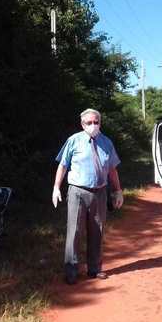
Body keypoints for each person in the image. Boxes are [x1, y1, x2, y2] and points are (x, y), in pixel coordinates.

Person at [52, 109, 123, 285]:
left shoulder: (106, 142)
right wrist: (56, 187)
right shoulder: (73, 141)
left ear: (100, 122)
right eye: (89, 123)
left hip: (100, 192)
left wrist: (118, 190)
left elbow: (112, 169)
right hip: (78, 191)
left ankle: (95, 268)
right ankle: (71, 271)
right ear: (82, 124)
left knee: (97, 230)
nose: (93, 125)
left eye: (96, 122)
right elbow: (63, 165)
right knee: (74, 231)